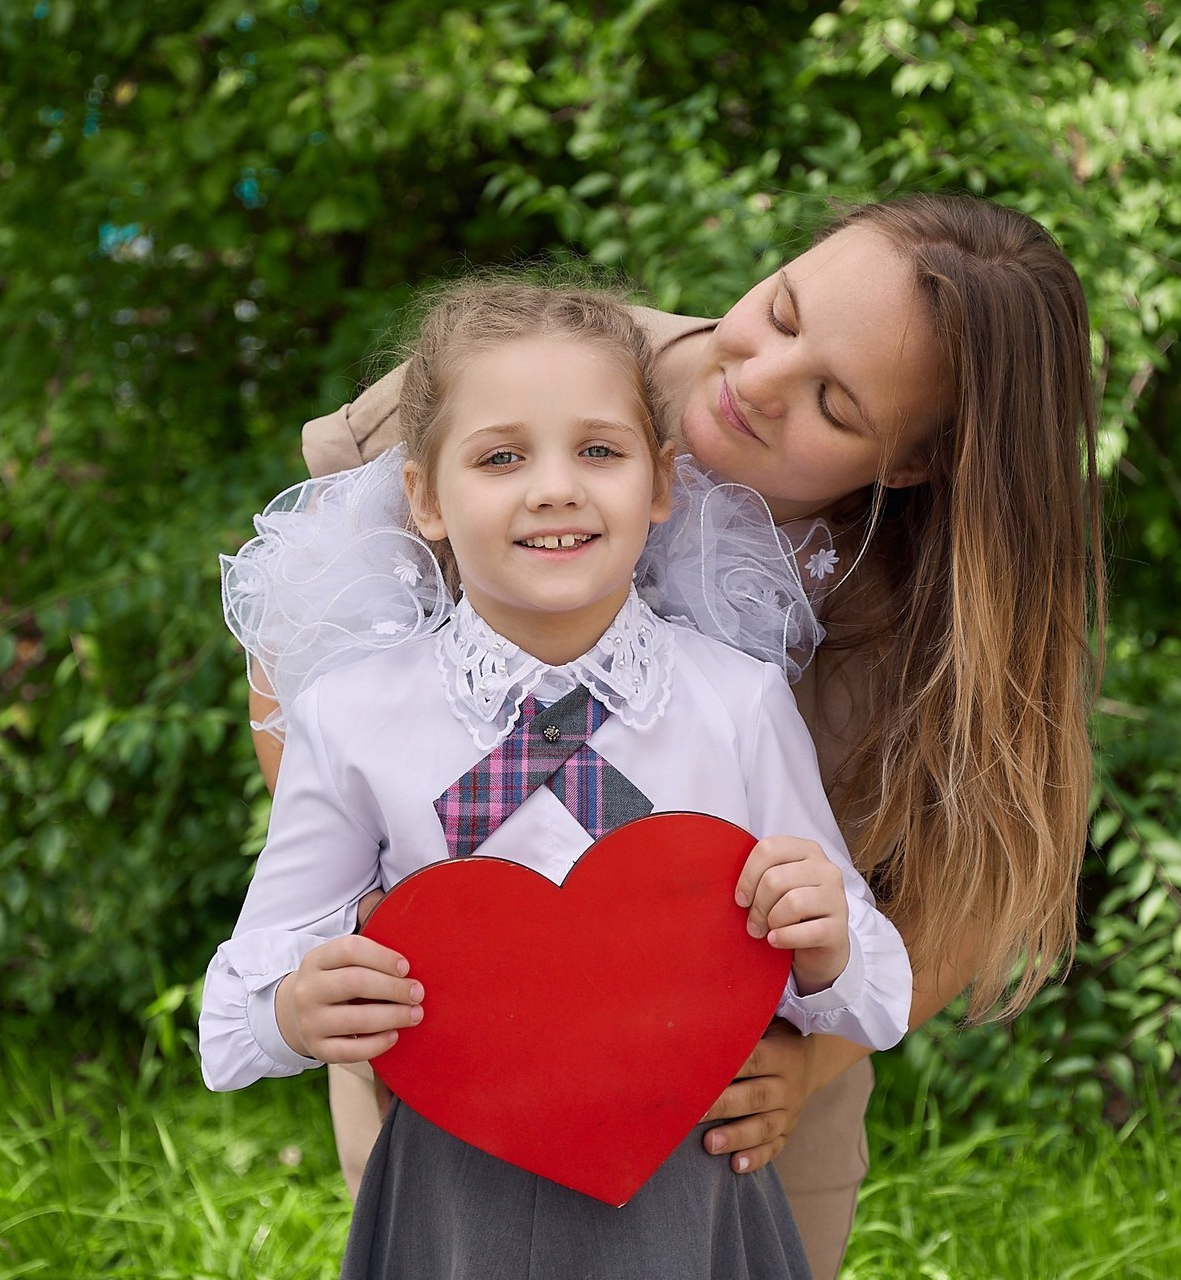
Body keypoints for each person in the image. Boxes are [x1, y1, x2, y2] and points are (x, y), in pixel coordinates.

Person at [252, 192, 1104, 1280]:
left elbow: (970, 887)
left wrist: (804, 1062)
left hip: (738, 1091)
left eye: (833, 404)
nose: (759, 379)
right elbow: (298, 637)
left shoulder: (936, 613)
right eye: (781, 310)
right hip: (452, 1045)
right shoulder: (531, 359)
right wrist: (373, 901)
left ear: (908, 466)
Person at [200, 281, 914, 1280]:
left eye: (598, 451)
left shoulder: (737, 702)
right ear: (424, 498)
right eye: (500, 457)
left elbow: (881, 999)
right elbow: (227, 1027)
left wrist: (829, 941)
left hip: (688, 1184)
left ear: (659, 483)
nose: (554, 488)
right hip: (455, 1187)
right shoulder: (352, 719)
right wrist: (290, 1007)